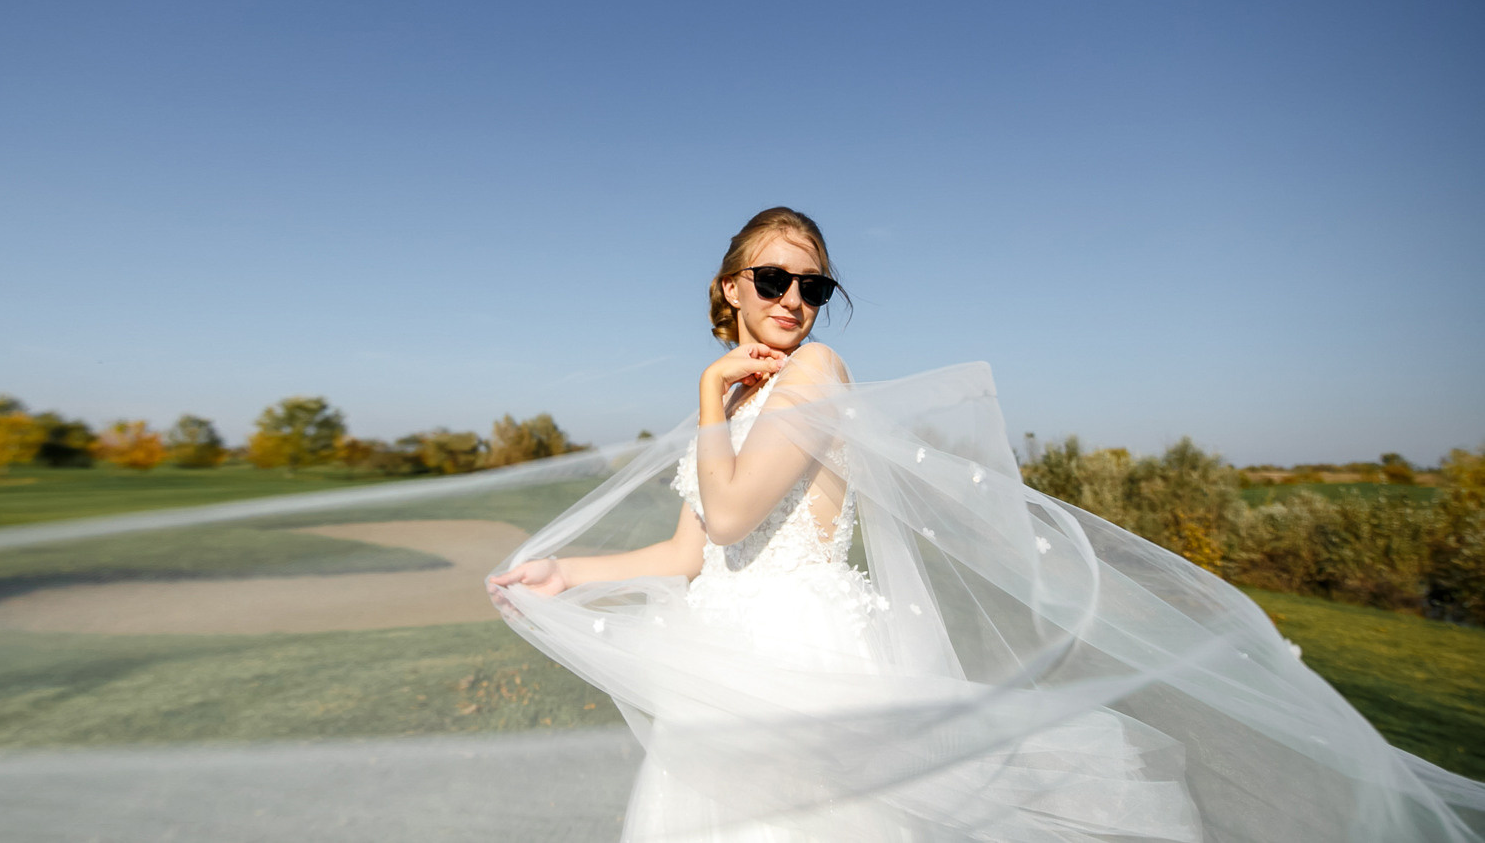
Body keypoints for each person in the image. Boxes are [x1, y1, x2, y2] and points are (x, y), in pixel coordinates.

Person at [486, 207, 1485, 842]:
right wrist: (565, 574)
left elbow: (740, 506)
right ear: (729, 287)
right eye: (773, 279)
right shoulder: (739, 407)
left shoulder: (814, 379)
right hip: (728, 675)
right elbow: (689, 552)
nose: (795, 300)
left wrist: (707, 391)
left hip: (813, 665)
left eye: (814, 285)